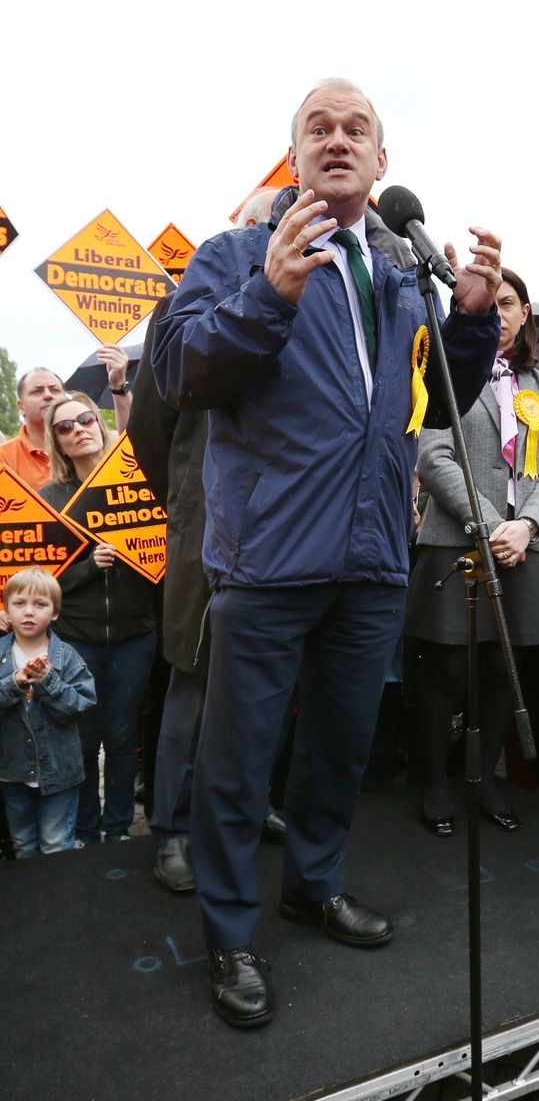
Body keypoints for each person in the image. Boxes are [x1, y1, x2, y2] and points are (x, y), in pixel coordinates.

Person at [152, 78, 502, 1028]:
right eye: (320, 129)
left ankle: (313, 883)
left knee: (341, 747)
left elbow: (429, 401)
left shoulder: (396, 276)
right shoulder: (232, 254)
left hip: (371, 559)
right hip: (265, 559)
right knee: (238, 760)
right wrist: (267, 295)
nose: (338, 140)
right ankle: (230, 932)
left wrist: (467, 321)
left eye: (358, 131)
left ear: (383, 164)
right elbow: (179, 370)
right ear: (295, 155)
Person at [128, 188, 285, 894]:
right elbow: (147, 429)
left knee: (263, 687)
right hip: (206, 527)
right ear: (241, 235)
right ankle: (171, 829)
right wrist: (189, 500)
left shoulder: (309, 304)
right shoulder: (182, 307)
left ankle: (247, 809)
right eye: (267, 226)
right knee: (192, 680)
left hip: (282, 529)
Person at [404, 268, 539, 834]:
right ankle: (433, 781)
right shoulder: (446, 371)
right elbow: (433, 458)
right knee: (444, 669)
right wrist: (491, 523)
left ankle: (485, 780)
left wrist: (527, 526)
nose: (499, 313)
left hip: (524, 547)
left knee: (505, 667)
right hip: (456, 539)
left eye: (509, 303)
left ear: (525, 313)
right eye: (490, 304)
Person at [40, 393, 157, 844]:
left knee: (125, 740)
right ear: (58, 443)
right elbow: (40, 586)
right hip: (77, 639)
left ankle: (119, 828)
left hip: (135, 635)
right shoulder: (51, 498)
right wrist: (92, 565)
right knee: (85, 742)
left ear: (100, 422)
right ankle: (87, 834)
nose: (79, 429)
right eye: (65, 427)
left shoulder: (138, 484)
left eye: (86, 418)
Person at [0, 567, 96, 857]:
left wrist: (49, 681)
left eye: (40, 604)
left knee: (56, 844)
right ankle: (33, 902)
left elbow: (81, 705)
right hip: (11, 771)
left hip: (59, 771)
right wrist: (13, 683)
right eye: (20, 604)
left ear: (54, 613)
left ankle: (58, 901)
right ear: (6, 610)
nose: (29, 612)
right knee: (23, 843)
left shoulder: (66, 657)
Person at [0, 350, 131, 492]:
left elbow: (131, 441)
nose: (48, 395)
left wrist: (118, 385)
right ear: (21, 406)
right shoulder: (4, 458)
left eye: (86, 419)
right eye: (65, 427)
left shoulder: (105, 441)